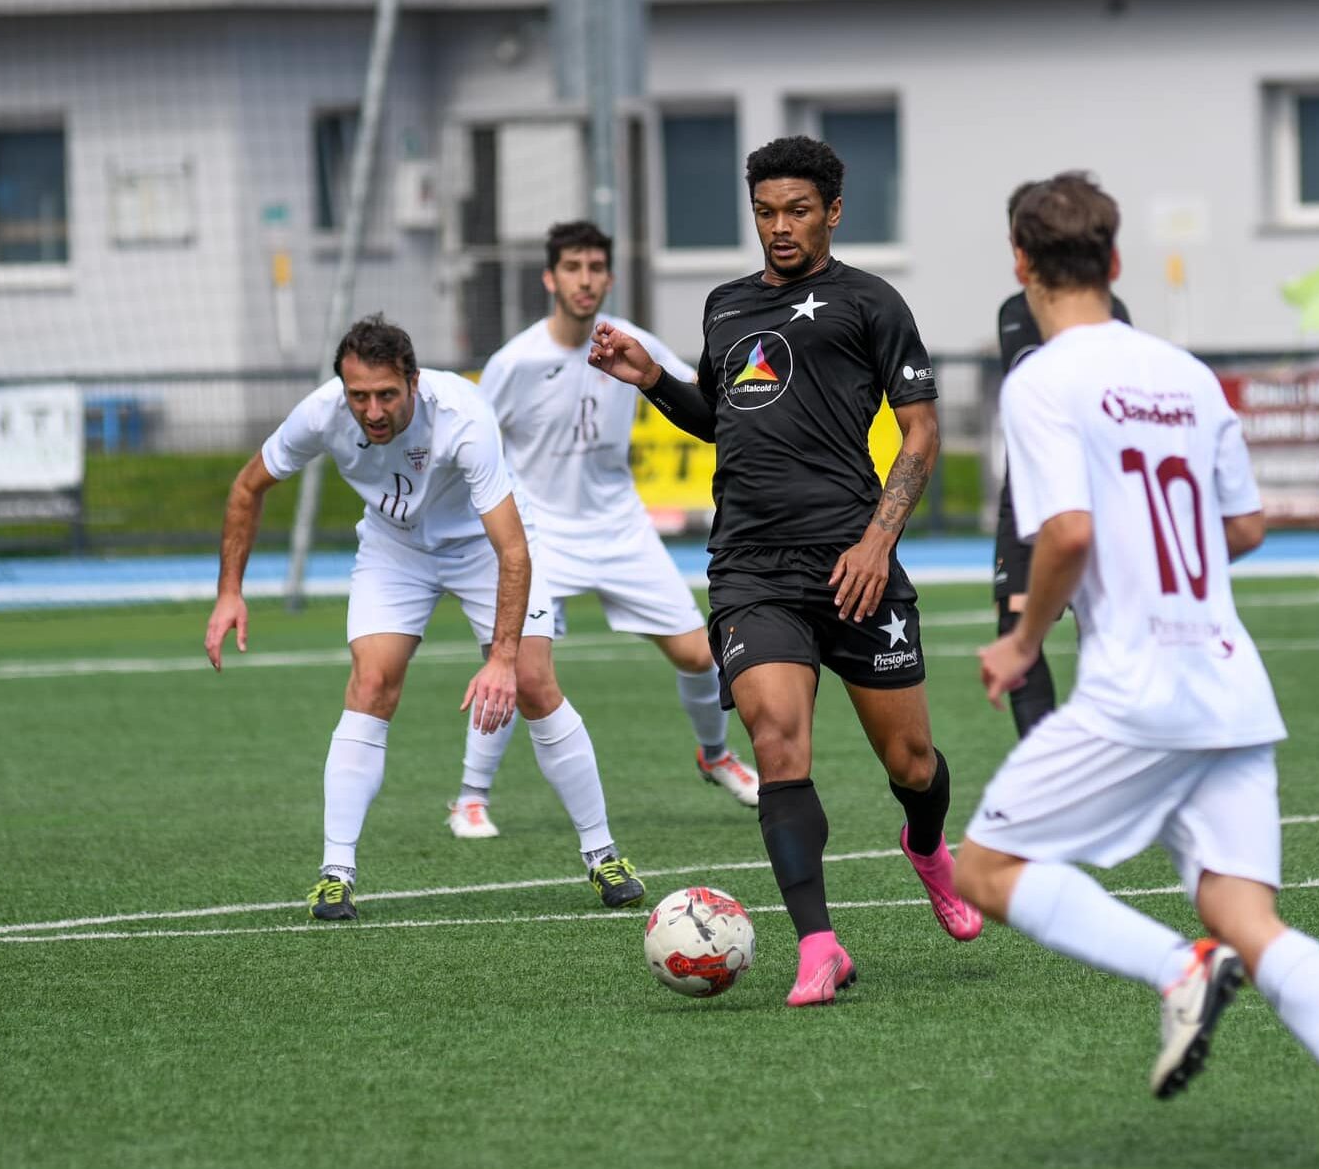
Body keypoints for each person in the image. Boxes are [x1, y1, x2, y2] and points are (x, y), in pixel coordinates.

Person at [952, 172, 1319, 1169]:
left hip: (1140, 687)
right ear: (1116, 261)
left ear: (1019, 263)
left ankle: (1176, 968)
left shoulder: (1040, 379)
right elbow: (1246, 526)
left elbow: (1069, 533)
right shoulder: (1184, 372)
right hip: (1227, 682)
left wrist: (1020, 640)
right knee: (1243, 913)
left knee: (984, 870)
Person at [588, 135, 982, 1007]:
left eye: (797, 210)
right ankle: (819, 944)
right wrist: (651, 377)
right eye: (765, 212)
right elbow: (723, 418)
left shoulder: (871, 303)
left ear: (833, 211)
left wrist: (878, 542)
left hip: (854, 558)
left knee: (912, 762)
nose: (780, 228)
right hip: (751, 567)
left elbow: (921, 432)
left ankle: (926, 847)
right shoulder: (726, 308)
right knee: (777, 745)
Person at [203, 314, 646, 919]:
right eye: (359, 395)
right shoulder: (321, 412)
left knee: (537, 685)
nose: (373, 410)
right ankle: (336, 873)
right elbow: (247, 487)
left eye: (387, 394)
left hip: (483, 549)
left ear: (413, 382)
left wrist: (502, 659)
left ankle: (603, 854)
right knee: (371, 684)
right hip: (396, 549)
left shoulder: (463, 416)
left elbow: (512, 551)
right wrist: (230, 591)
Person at [447, 220, 759, 839]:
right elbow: (474, 440)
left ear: (609, 276)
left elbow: (696, 394)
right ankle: (470, 796)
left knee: (703, 655)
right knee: (516, 665)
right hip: (540, 537)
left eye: (595, 268)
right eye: (573, 268)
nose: (585, 279)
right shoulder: (515, 362)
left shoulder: (631, 341)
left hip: (620, 530)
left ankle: (715, 754)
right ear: (550, 277)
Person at [992, 182, 1132, 739]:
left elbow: (1070, 532)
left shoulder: (1110, 326)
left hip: (1091, 498)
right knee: (1019, 620)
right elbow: (1243, 528)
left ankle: (1087, 761)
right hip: (1024, 496)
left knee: (1095, 625)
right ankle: (1044, 754)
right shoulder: (1011, 316)